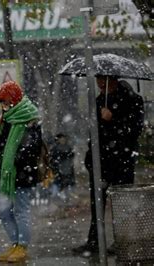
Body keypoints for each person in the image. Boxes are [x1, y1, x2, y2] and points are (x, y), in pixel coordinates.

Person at [72, 76, 144, 255]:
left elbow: (134, 130)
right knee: (97, 203)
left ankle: (122, 241)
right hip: (100, 162)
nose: (100, 85)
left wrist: (113, 118)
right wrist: (90, 158)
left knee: (121, 203)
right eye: (98, 80)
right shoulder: (98, 101)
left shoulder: (132, 100)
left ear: (113, 80)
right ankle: (95, 241)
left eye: (103, 80)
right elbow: (94, 132)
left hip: (122, 160)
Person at [0, 81, 41, 263]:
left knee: (21, 211)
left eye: (6, 101)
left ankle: (22, 246)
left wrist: (16, 158)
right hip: (6, 173)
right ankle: (15, 243)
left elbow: (32, 147)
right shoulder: (7, 118)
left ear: (15, 99)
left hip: (21, 173)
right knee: (4, 210)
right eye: (2, 102)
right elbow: (4, 145)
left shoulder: (28, 117)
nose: (4, 106)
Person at [49, 133, 75, 202]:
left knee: (66, 187)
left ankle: (65, 199)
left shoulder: (68, 147)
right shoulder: (55, 148)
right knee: (57, 185)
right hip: (59, 170)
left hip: (67, 170)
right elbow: (53, 159)